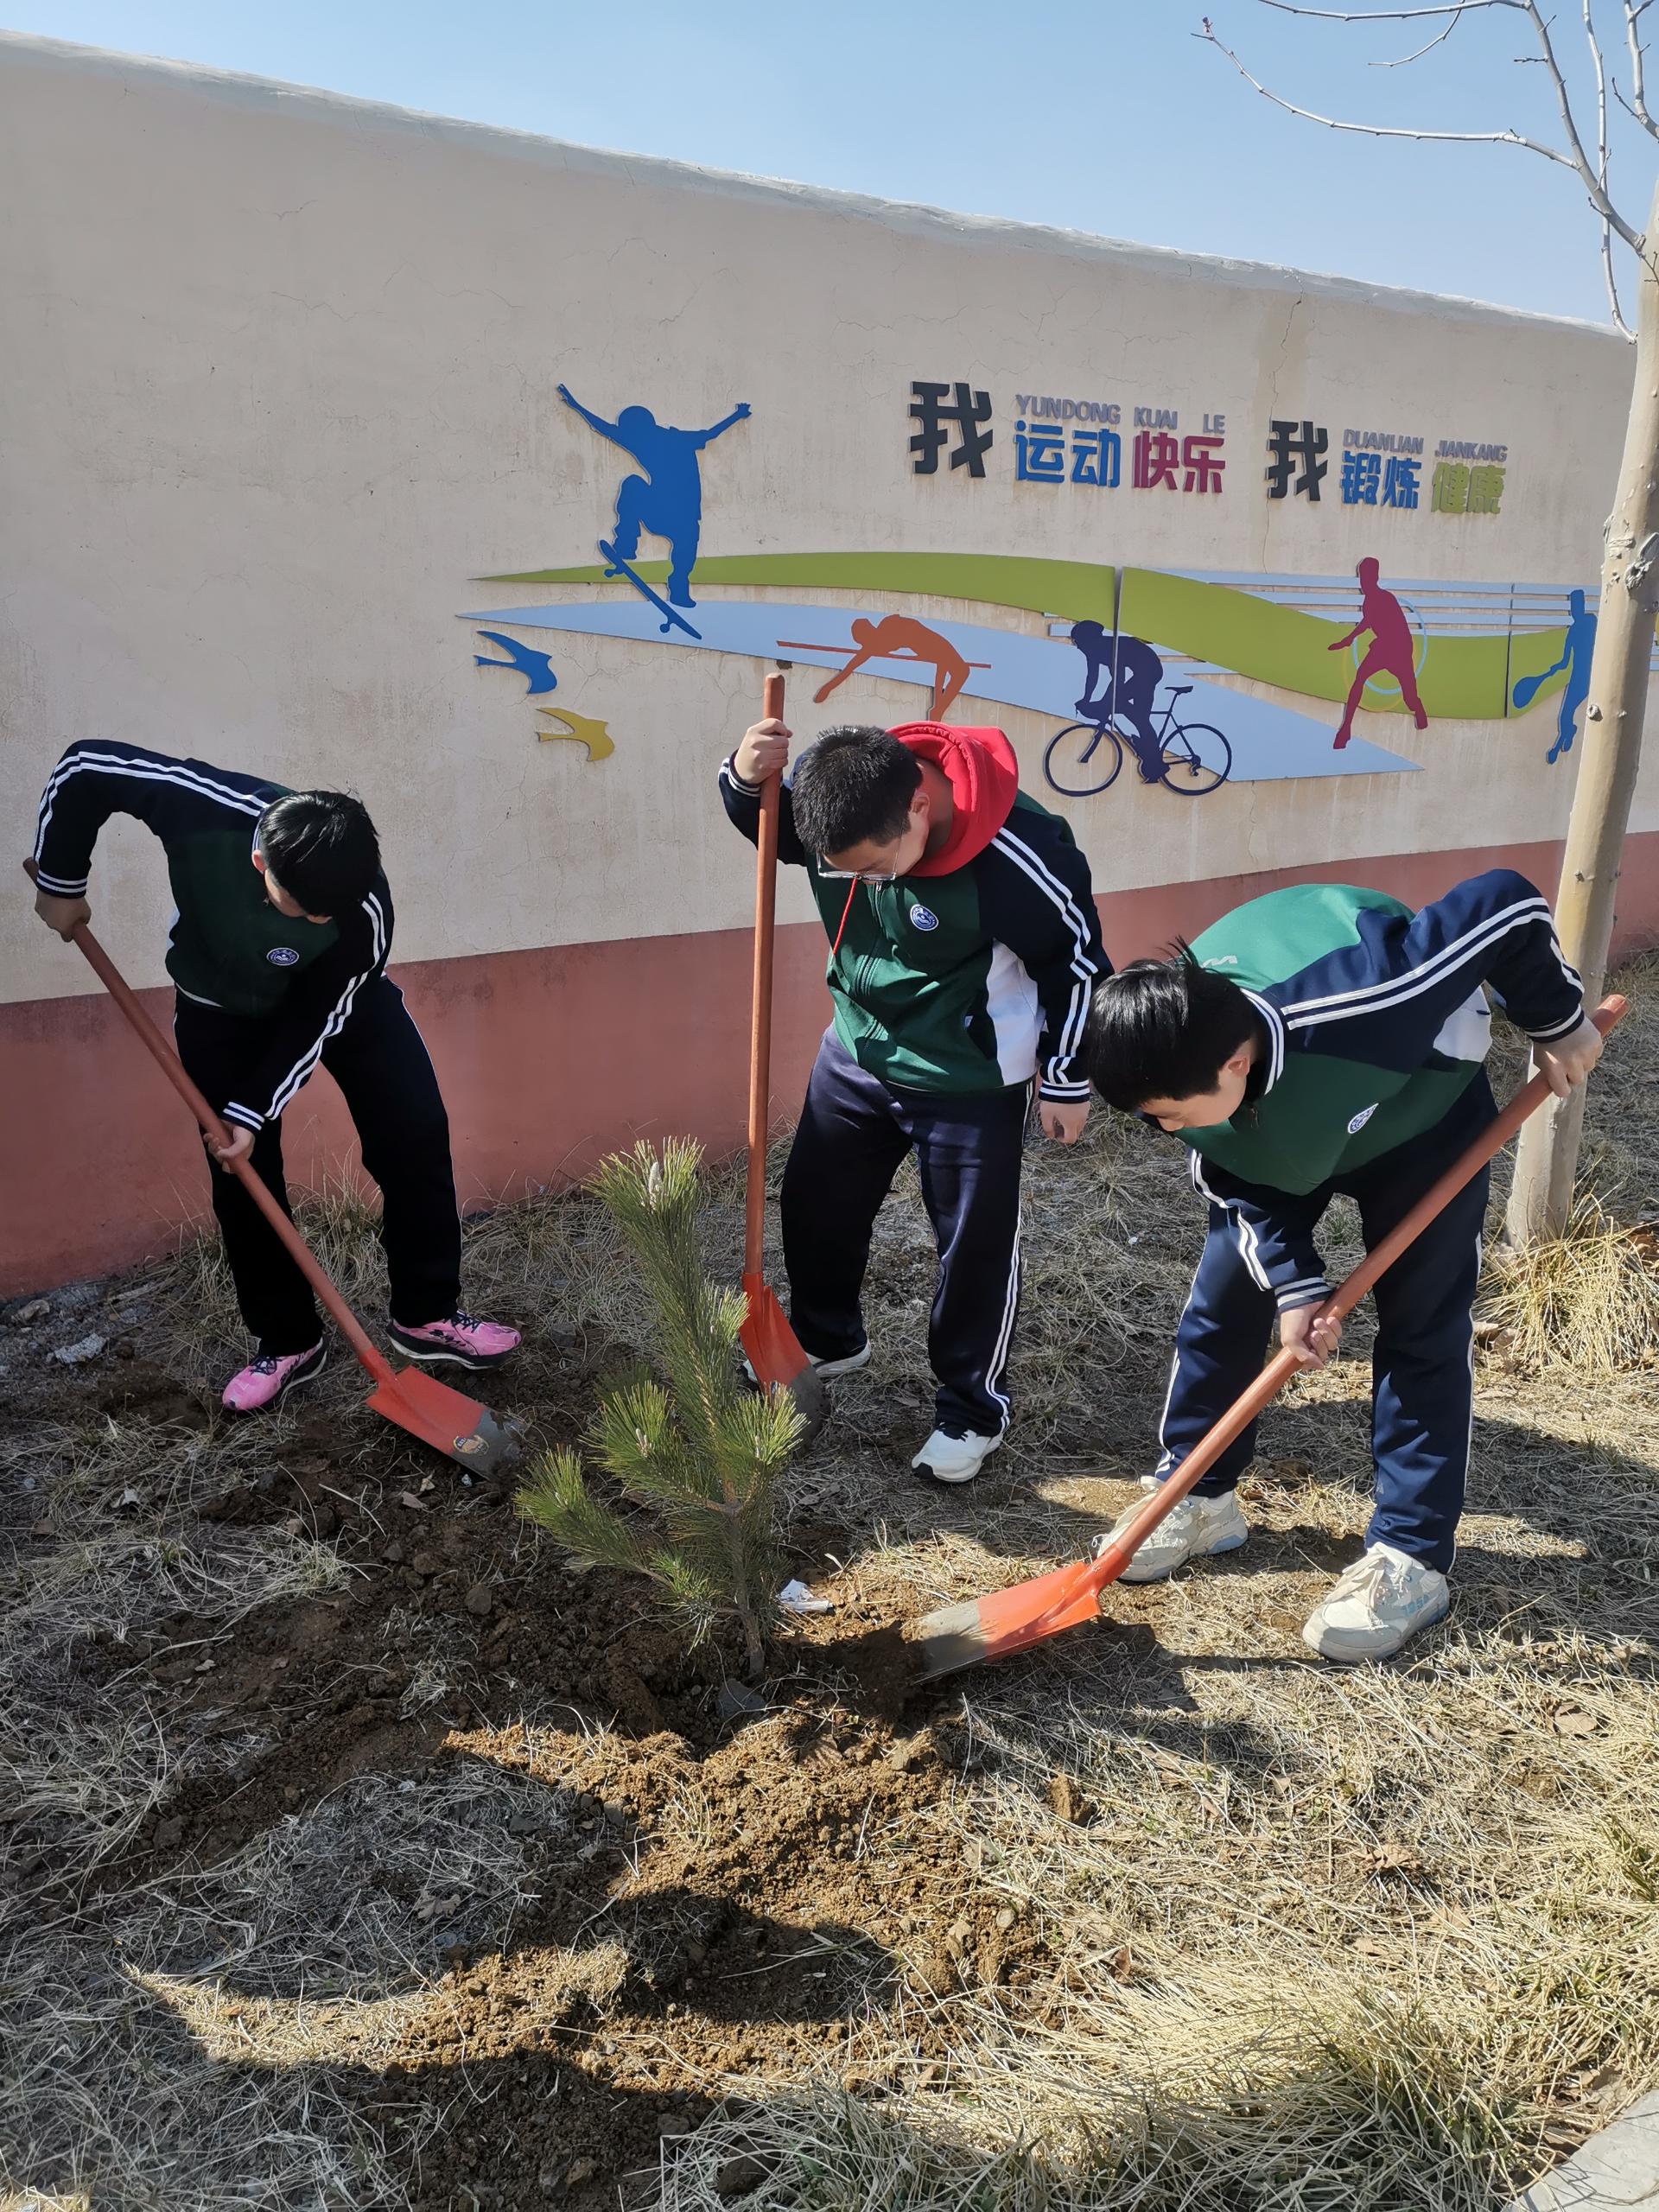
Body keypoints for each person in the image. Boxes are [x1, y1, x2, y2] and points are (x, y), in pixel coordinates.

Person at [1080, 872, 1602, 1660]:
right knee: (1226, 1301)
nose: (1167, 1133)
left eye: (1172, 1115)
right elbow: (1234, 1182)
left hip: (1420, 1117)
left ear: (1233, 1061)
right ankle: (1198, 1490)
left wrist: (1556, 1020)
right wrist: (1296, 1286)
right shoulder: (1180, 1071)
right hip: (1277, 1142)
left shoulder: (1373, 994)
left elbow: (1504, 903)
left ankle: (1409, 1554)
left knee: (1423, 1323)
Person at [30, 741, 522, 1413]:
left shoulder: (361, 908)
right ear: (262, 862)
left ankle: (426, 1313)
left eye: (330, 910)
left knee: (414, 1128)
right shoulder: (204, 808)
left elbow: (317, 1019)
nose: (320, 919)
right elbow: (86, 767)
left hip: (336, 1000)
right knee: (243, 1172)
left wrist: (253, 1107)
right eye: (306, 907)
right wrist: (61, 881)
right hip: (219, 1008)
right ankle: (288, 1339)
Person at [721, 714, 1108, 1484]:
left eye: (876, 868)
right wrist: (742, 777)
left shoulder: (1020, 850)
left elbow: (1078, 962)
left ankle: (972, 1410)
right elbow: (767, 825)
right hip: (859, 1043)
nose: (865, 882)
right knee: (816, 1202)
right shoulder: (835, 811)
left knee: (973, 1245)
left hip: (970, 1071)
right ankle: (829, 1338)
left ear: (919, 809)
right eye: (848, 873)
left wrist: (1067, 1077)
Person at [556, 385, 750, 609]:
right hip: (679, 515)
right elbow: (710, 433)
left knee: (633, 486)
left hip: (667, 513)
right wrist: (738, 415)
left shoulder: (643, 441)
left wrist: (577, 406)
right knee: (641, 494)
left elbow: (607, 429)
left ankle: (662, 572)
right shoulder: (675, 439)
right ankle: (639, 553)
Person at [1330, 558, 1428, 747]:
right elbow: (1367, 622)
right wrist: (1348, 640)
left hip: (1398, 649)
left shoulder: (1385, 598)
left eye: (1367, 578)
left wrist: (1348, 639)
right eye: (1361, 578)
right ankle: (1346, 728)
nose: (1363, 583)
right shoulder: (1367, 602)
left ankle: (1418, 708)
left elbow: (1372, 623)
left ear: (1375, 577)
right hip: (1383, 648)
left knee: (1409, 698)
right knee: (1360, 677)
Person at [813, 614, 972, 723]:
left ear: (869, 633)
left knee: (959, 669)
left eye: (863, 641)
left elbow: (849, 668)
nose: (864, 645)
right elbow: (848, 669)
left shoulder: (886, 628)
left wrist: (826, 689)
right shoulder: (873, 645)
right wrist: (826, 689)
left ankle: (937, 710)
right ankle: (938, 710)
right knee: (960, 670)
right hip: (927, 644)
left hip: (927, 640)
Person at [1068, 620, 1166, 782]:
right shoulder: (1093, 651)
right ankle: (1150, 756)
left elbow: (1118, 680)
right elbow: (1092, 677)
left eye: (1078, 642)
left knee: (1139, 717)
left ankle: (1155, 762)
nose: (1078, 647)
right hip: (1142, 670)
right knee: (1128, 710)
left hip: (1149, 669)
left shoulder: (1112, 647)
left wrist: (1103, 703)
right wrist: (1086, 699)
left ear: (1089, 639)